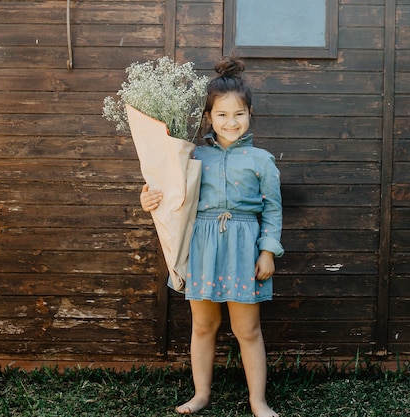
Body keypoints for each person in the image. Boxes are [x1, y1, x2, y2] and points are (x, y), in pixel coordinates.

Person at [140, 55, 283, 417]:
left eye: (238, 114)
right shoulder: (193, 156)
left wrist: (267, 251)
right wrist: (149, 197)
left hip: (243, 248)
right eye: (221, 114)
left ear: (249, 112)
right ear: (208, 117)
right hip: (202, 246)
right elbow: (171, 197)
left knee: (247, 329)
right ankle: (201, 394)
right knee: (204, 325)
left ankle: (258, 400)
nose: (230, 122)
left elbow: (273, 209)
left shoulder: (262, 160)